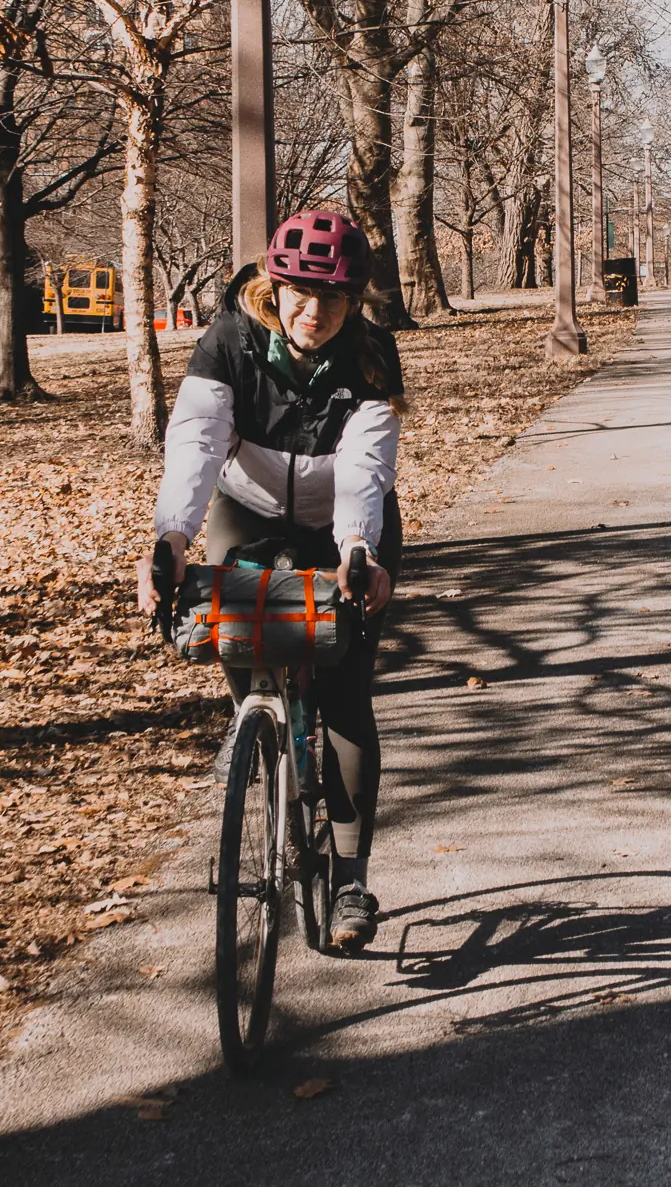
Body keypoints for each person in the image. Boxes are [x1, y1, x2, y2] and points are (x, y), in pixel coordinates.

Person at [136, 208, 402, 952]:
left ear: (354, 303)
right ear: (274, 285)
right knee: (225, 608)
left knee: (346, 684)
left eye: (335, 299)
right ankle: (251, 716)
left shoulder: (371, 357)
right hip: (245, 505)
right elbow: (195, 441)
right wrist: (172, 538)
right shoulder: (229, 340)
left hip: (345, 525)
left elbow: (365, 467)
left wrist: (358, 548)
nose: (314, 312)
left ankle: (350, 876)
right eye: (300, 291)